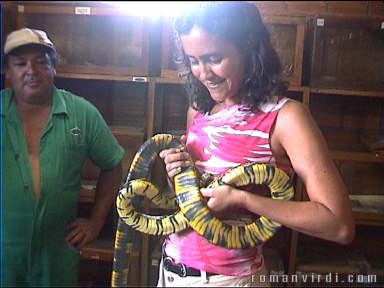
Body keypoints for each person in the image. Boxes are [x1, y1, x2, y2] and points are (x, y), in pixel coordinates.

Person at [158, 2, 355, 287]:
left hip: (229, 279)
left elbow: (339, 225)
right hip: (171, 270)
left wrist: (243, 200)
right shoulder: (198, 111)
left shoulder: (285, 118)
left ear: (248, 46)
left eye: (214, 58)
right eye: (193, 60)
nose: (203, 73)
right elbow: (192, 201)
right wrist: (176, 176)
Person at [1, 28, 125, 286]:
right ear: (8, 72)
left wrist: (95, 221)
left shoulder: (82, 113)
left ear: (54, 67)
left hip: (57, 256)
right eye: (20, 63)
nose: (31, 71)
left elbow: (113, 163)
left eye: (40, 63)